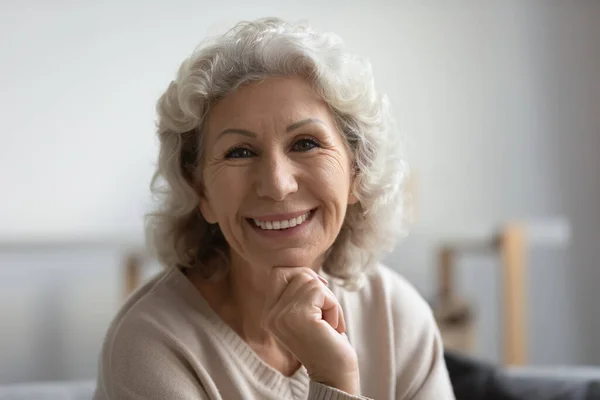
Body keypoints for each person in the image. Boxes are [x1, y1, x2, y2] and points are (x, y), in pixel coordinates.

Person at [93, 17, 455, 400]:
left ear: (356, 171)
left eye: (305, 143)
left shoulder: (396, 317)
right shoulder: (151, 344)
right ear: (201, 190)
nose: (278, 185)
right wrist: (334, 379)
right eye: (240, 152)